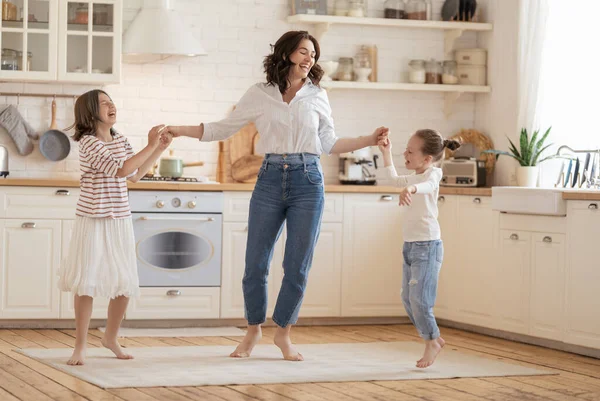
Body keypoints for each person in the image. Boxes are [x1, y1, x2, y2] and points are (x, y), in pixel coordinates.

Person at [166, 30, 388, 361]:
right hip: (269, 179)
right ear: (285, 54)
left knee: (297, 265)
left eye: (312, 54)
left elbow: (329, 143)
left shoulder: (317, 95)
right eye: (302, 51)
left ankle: (283, 332)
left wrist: (369, 139)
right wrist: (180, 129)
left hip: (308, 180)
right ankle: (253, 330)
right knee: (255, 263)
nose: (309, 58)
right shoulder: (260, 93)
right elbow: (224, 128)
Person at [58, 89, 172, 365]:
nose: (112, 106)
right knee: (87, 283)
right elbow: (120, 170)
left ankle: (110, 338)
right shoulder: (88, 143)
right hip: (94, 219)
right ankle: (80, 346)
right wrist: (149, 144)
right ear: (90, 112)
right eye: (104, 103)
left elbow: (135, 175)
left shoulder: (120, 140)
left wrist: (159, 148)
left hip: (119, 220)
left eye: (112, 101)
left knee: (124, 283)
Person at [378, 129, 460, 368]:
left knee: (420, 300)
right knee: (407, 298)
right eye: (406, 149)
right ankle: (432, 337)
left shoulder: (433, 174)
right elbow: (393, 179)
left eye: (410, 151)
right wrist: (386, 153)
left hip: (428, 246)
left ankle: (432, 340)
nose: (406, 154)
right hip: (410, 245)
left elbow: (428, 186)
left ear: (427, 159)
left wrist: (412, 189)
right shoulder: (415, 176)